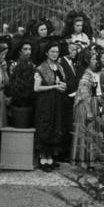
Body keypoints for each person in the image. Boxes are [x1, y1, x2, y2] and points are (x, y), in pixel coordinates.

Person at [33, 42, 67, 171]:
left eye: (56, 52)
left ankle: (51, 156)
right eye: (52, 51)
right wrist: (54, 87)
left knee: (55, 125)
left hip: (57, 101)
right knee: (45, 125)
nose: (54, 54)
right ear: (47, 52)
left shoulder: (59, 67)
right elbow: (36, 88)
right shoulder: (41, 68)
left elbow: (62, 83)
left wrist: (63, 87)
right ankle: (43, 157)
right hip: (45, 101)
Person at [72, 50, 102, 169]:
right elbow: (83, 94)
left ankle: (90, 160)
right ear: (87, 61)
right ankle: (83, 161)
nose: (96, 61)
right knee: (86, 132)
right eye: (94, 59)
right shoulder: (86, 75)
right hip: (86, 106)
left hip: (92, 103)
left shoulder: (91, 73)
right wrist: (89, 111)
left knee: (90, 133)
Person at [59, 42, 82, 162]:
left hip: (72, 97)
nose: (75, 52)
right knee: (65, 125)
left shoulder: (73, 63)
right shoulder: (61, 62)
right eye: (72, 50)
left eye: (76, 50)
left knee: (69, 125)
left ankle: (68, 152)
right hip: (65, 97)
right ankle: (63, 153)